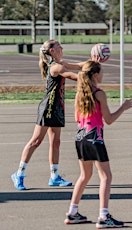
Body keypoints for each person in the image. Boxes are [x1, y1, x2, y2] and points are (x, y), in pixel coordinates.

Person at [65, 60, 132, 228]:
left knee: (84, 176)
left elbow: (77, 118)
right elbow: (109, 119)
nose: (103, 74)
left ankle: (72, 212)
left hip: (80, 137)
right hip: (94, 138)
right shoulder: (99, 94)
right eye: (101, 72)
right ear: (95, 75)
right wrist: (123, 108)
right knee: (106, 176)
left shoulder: (80, 93)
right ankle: (104, 216)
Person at [11, 40, 82, 190]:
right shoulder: (56, 67)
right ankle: (19, 174)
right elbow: (73, 76)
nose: (61, 47)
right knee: (35, 141)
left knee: (56, 142)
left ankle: (54, 176)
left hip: (57, 108)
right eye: (58, 46)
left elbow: (78, 66)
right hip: (47, 108)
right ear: (52, 51)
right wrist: (89, 75)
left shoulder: (60, 62)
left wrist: (94, 62)